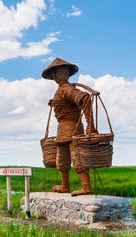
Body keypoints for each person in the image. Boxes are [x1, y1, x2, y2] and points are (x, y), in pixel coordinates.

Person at [42, 58, 96, 196]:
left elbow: (85, 99)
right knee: (62, 160)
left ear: (58, 73)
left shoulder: (66, 88)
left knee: (78, 158)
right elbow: (66, 102)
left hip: (73, 129)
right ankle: (65, 185)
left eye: (55, 72)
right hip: (62, 131)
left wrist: (91, 126)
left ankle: (86, 187)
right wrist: (55, 102)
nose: (54, 76)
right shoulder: (62, 90)